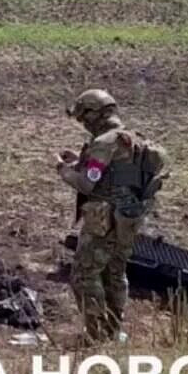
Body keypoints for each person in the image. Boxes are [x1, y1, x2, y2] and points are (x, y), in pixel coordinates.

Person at [57, 89, 165, 343]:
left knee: (84, 275)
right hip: (129, 218)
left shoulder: (105, 142)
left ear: (95, 115)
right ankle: (113, 332)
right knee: (114, 273)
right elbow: (114, 174)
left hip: (104, 221)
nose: (83, 123)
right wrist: (81, 160)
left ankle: (95, 334)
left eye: (84, 118)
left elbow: (87, 184)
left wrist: (63, 170)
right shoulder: (133, 139)